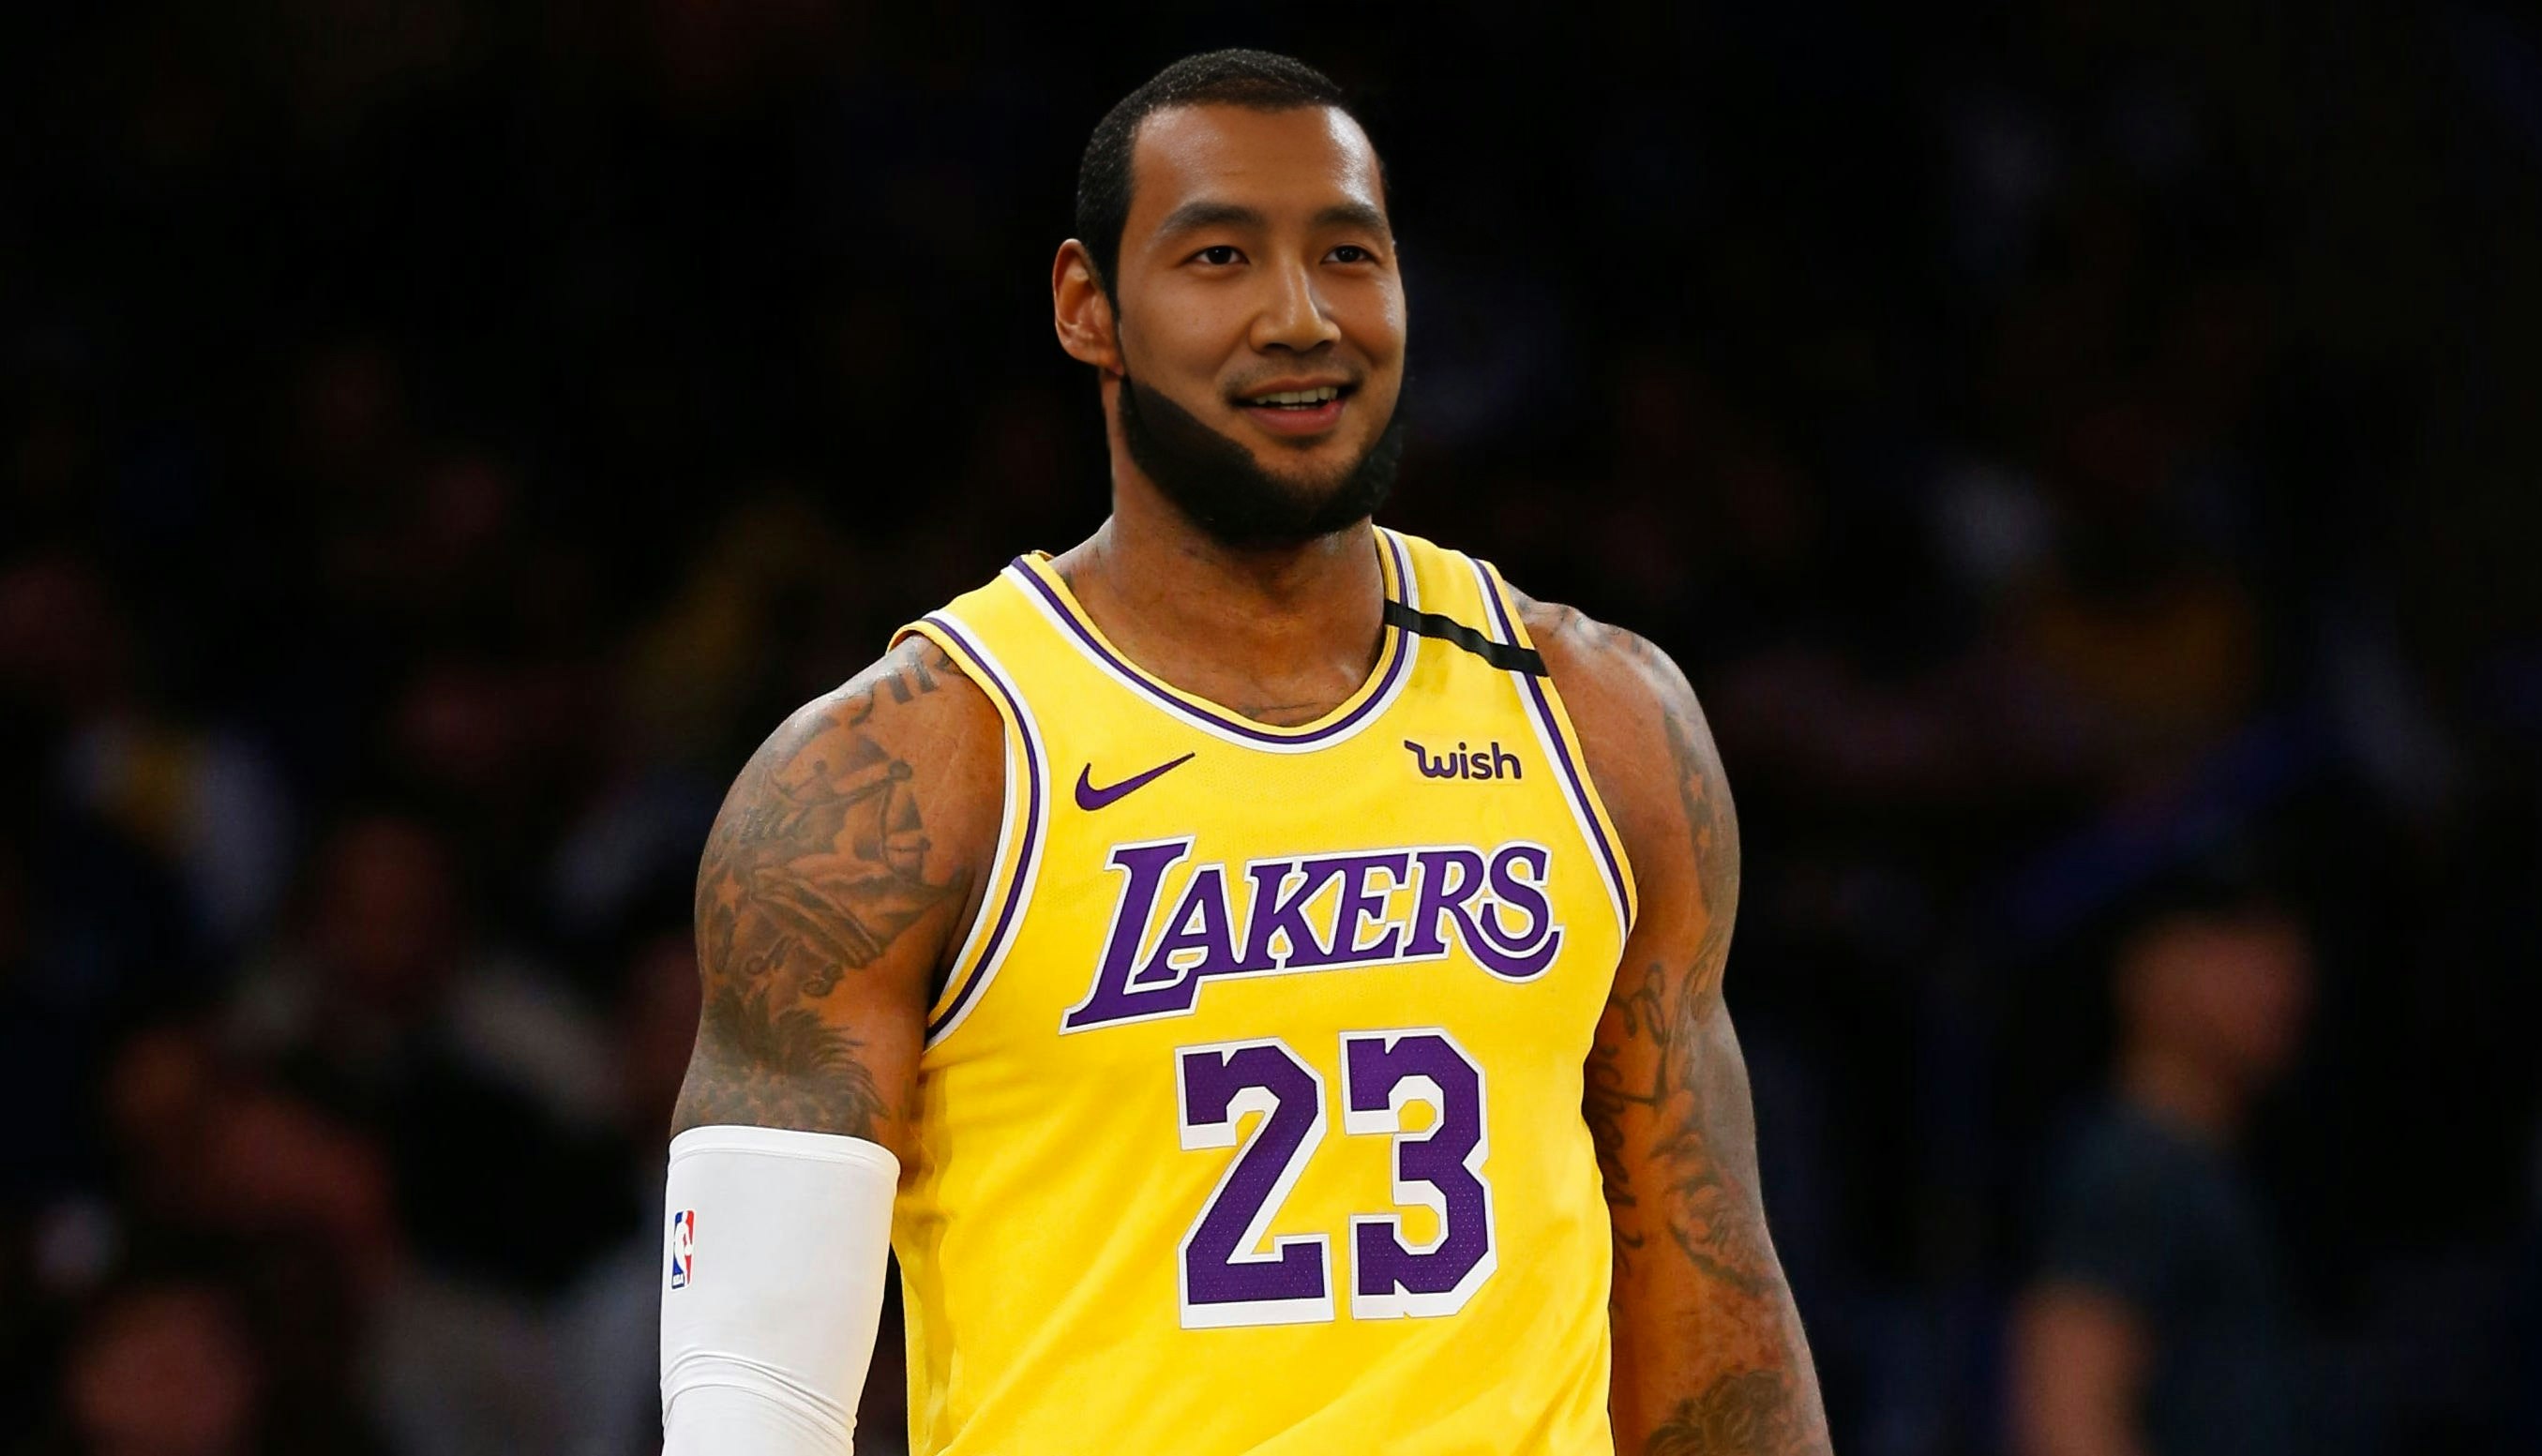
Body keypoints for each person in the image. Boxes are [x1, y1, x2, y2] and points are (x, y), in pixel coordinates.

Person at [656, 49, 1830, 1456]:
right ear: (1088, 307)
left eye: (1348, 254)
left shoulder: (1600, 718)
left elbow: (1712, 1305)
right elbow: (753, 1396)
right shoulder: (906, 769)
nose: (1300, 316)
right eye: (1219, 256)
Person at [2008, 874, 2314, 1456]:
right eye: (2238, 943)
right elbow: (2069, 1421)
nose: (2286, 976)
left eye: (2285, 945)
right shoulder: (2131, 1169)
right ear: (2148, 970)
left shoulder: (2210, 1162)